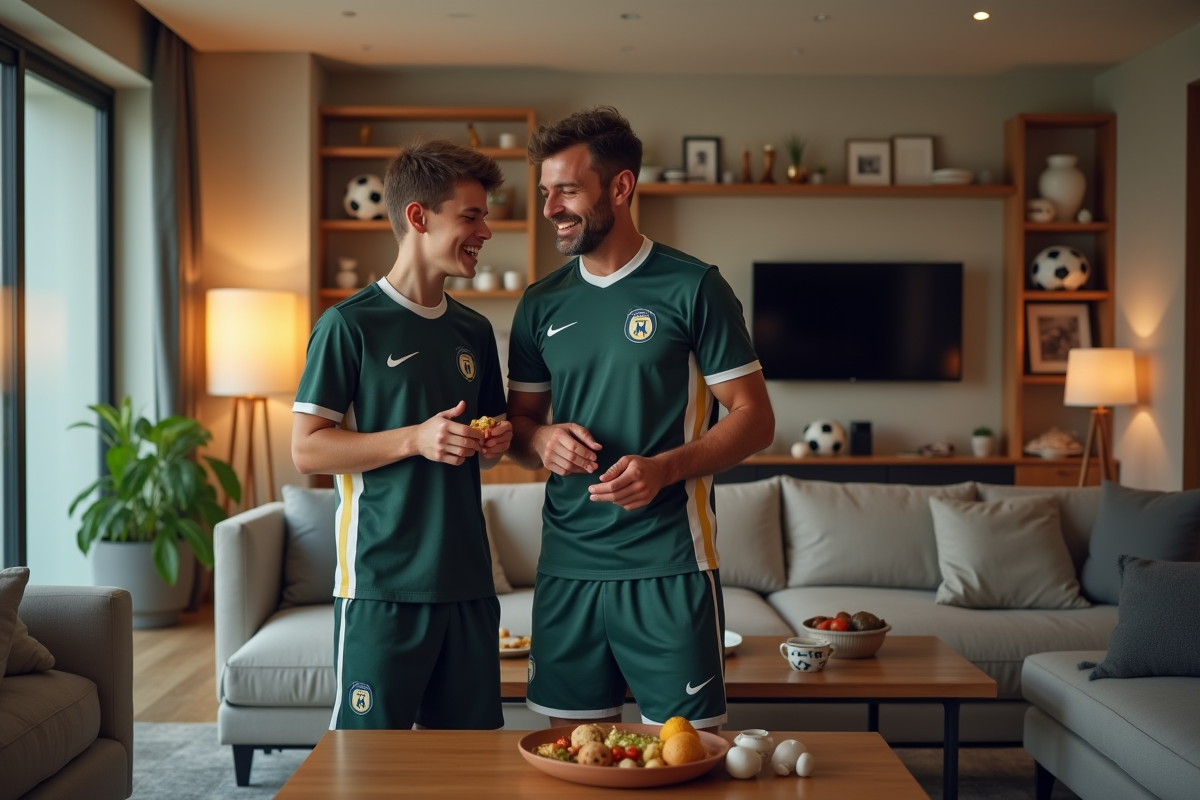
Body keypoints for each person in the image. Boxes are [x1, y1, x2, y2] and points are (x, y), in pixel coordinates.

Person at [506, 107, 775, 732]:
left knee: (685, 762)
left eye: (567, 190)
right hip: (566, 569)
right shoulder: (539, 303)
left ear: (620, 187)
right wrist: (542, 437)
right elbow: (518, 430)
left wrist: (664, 469)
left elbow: (755, 418)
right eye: (546, 192)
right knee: (574, 759)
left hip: (670, 567)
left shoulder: (695, 287)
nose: (550, 208)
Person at [291, 139, 513, 731]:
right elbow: (307, 447)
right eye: (471, 215)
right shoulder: (348, 325)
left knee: (467, 771)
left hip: (466, 585)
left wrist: (493, 442)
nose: (485, 231)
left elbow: (487, 449)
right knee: (365, 768)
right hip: (381, 587)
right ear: (419, 217)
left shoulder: (475, 329)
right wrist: (414, 439)